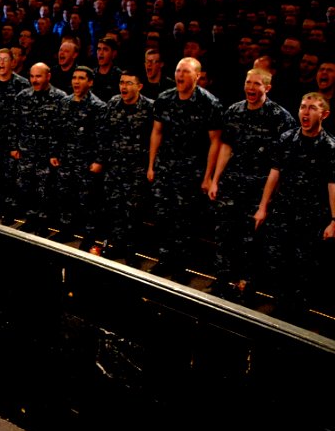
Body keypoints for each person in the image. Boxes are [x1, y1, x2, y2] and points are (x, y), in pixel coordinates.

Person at [207, 68, 295, 300]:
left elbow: (282, 162)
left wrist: (269, 199)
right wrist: (215, 180)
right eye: (248, 83)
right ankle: (222, 280)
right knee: (225, 234)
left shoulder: (280, 117)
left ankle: (246, 285)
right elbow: (226, 147)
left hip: (259, 188)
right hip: (232, 183)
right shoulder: (234, 111)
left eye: (256, 84)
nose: (250, 88)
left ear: (267, 88)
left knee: (252, 240)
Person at [254, 93, 335, 321]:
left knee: (304, 269)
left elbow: (333, 185)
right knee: (279, 263)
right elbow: (274, 174)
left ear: (324, 114)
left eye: (311, 108)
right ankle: (280, 307)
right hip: (283, 212)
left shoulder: (329, 147)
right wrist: (263, 207)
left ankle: (298, 315)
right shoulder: (287, 138)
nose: (305, 112)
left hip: (311, 218)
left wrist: (334, 220)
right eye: (302, 107)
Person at [147, 57, 223, 276]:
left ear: (197, 76)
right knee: (163, 217)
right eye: (178, 70)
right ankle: (164, 259)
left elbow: (215, 141)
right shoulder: (164, 98)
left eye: (186, 72)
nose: (180, 75)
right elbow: (157, 132)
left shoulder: (209, 103)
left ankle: (181, 266)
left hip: (192, 171)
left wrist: (208, 177)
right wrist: (151, 164)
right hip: (165, 168)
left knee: (185, 220)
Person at [92, 70, 155, 262]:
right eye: (121, 83)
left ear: (139, 86)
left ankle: (132, 252)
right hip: (114, 168)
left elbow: (155, 138)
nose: (123, 87)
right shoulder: (113, 103)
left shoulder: (150, 107)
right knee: (114, 210)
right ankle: (116, 246)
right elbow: (103, 134)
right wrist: (101, 160)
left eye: (128, 83)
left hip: (137, 169)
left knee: (133, 213)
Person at [50, 66, 107, 247]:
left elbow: (102, 137)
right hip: (66, 160)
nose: (76, 81)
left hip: (86, 162)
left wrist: (99, 160)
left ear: (90, 82)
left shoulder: (98, 107)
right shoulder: (64, 102)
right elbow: (56, 130)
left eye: (81, 78)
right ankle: (65, 231)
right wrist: (54, 152)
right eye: (74, 78)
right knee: (64, 198)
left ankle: (89, 238)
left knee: (87, 202)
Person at [13, 63, 69, 233]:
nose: (34, 80)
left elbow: (63, 128)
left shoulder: (60, 98)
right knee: (27, 188)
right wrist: (14, 146)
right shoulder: (23, 96)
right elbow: (15, 123)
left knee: (46, 190)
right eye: (32, 76)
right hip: (27, 152)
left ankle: (44, 223)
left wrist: (57, 152)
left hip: (48, 154)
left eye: (39, 76)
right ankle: (30, 219)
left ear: (48, 76)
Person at [0, 48, 30, 223]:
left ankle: (10, 211)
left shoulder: (22, 84)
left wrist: (19, 143)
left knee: (11, 177)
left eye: (5, 60)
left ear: (12, 63)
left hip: (14, 140)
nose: (1, 63)